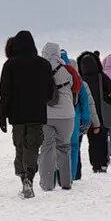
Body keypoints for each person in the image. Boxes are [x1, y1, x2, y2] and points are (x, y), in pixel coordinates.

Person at [0, 30, 55, 198]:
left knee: (20, 147)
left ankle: (23, 177)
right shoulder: (44, 64)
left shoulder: (10, 65)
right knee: (33, 147)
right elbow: (50, 93)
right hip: (37, 114)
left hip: (16, 115)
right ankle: (29, 177)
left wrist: (2, 115)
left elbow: (4, 93)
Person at [37, 42, 76, 191]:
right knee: (64, 147)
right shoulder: (66, 70)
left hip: (46, 115)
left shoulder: (39, 70)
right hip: (67, 115)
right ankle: (66, 182)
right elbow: (74, 87)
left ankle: (47, 184)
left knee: (47, 148)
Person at [79, 51, 111, 173]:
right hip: (102, 113)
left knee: (92, 141)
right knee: (103, 139)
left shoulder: (81, 79)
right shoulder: (101, 76)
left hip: (87, 115)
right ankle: (103, 163)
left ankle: (95, 165)